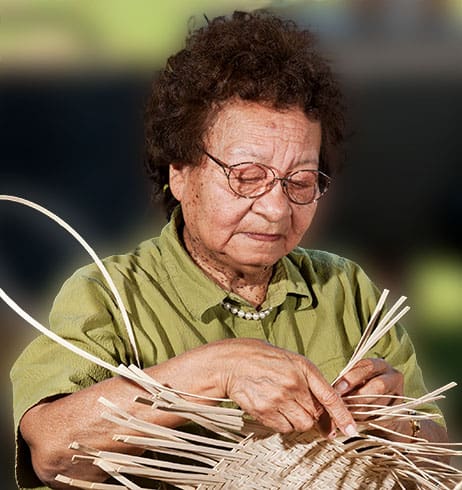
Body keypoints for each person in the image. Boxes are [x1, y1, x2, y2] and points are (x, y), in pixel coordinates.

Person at [11, 10, 447, 490]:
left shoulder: (345, 288)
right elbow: (52, 451)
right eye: (247, 177)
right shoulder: (111, 294)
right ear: (180, 173)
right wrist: (214, 370)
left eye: (301, 182)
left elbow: (440, 462)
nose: (277, 209)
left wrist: (397, 424)